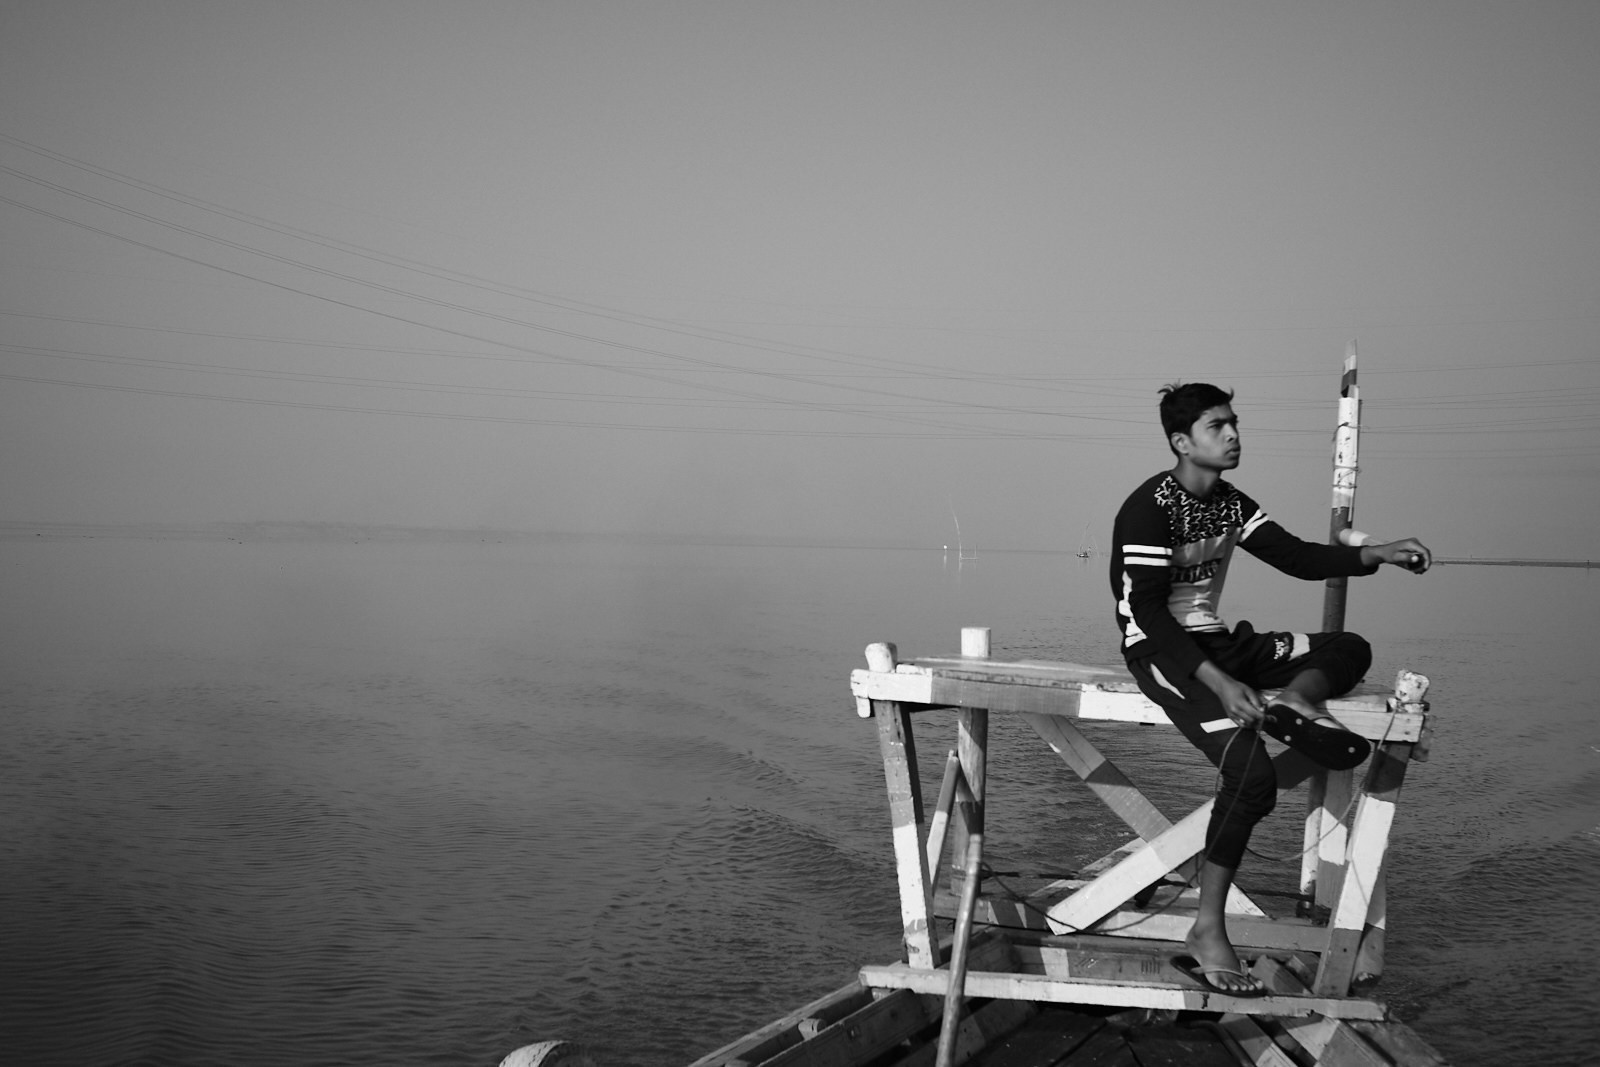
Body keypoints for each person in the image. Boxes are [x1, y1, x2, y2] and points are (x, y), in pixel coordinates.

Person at [1109, 382, 1431, 997]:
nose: (1233, 435)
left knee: (1348, 647)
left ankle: (1297, 700)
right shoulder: (1149, 508)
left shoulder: (1231, 504)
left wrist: (1380, 554)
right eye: (1217, 427)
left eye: (1233, 423)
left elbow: (1299, 559)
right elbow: (1148, 614)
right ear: (1182, 442)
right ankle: (1208, 929)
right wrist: (1221, 683)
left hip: (1222, 644)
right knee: (1252, 776)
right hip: (1163, 653)